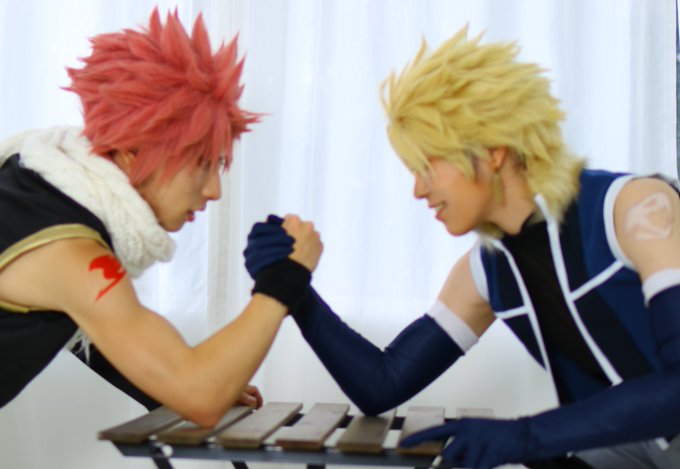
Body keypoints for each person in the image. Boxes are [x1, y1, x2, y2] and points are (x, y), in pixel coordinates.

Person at [243, 26, 680, 468]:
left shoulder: (636, 208)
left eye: (427, 165)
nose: (417, 190)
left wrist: (527, 437)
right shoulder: (488, 269)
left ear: (493, 151)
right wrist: (292, 286)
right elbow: (382, 385)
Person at [0, 8, 322, 428]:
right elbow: (201, 396)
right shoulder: (70, 251)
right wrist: (287, 276)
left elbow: (92, 326)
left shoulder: (34, 188)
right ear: (131, 152)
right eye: (201, 164)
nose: (214, 190)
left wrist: (171, 382)